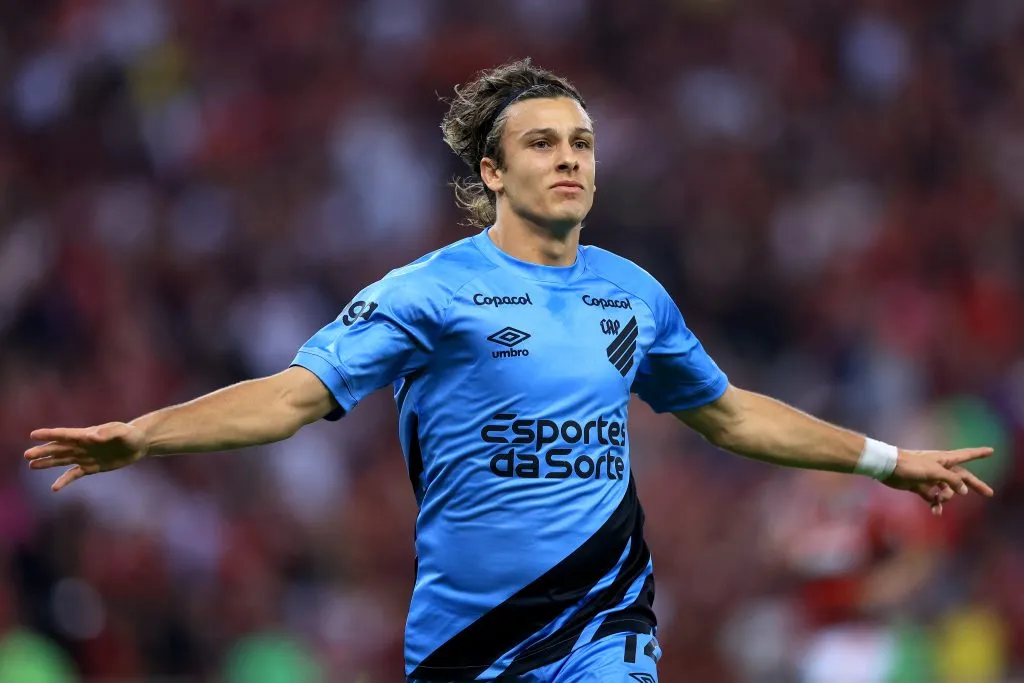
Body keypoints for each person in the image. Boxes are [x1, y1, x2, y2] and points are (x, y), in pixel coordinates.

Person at [23, 59, 993, 683]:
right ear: (491, 171)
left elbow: (731, 415)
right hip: (466, 640)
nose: (569, 159)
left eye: (581, 142)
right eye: (542, 142)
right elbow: (290, 395)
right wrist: (143, 431)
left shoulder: (633, 294)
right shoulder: (429, 292)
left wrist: (882, 457)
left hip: (604, 623)